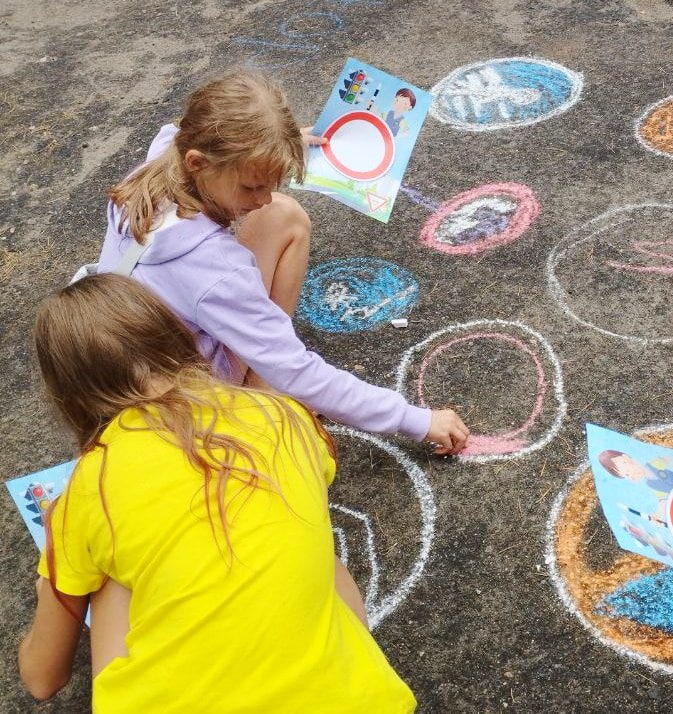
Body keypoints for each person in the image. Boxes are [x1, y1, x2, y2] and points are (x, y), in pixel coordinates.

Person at [18, 274, 416, 712]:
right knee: (310, 532)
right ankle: (343, 671)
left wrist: (51, 573)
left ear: (70, 395)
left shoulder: (90, 486)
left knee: (105, 570)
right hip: (361, 704)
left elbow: (42, 678)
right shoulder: (284, 414)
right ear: (173, 338)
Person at [99, 69, 467, 454]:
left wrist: (282, 143)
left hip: (126, 365)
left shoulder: (163, 157)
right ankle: (260, 402)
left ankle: (257, 390)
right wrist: (417, 420)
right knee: (285, 224)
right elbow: (297, 370)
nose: (261, 199)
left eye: (270, 183)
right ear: (197, 162)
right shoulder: (215, 269)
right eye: (252, 186)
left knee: (282, 215)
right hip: (176, 403)